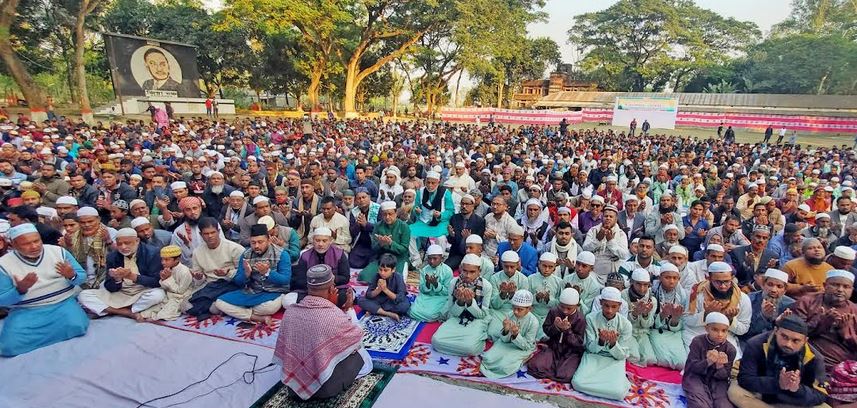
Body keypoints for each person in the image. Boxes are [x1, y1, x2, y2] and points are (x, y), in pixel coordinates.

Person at [274, 264, 367, 401]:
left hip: (293, 388)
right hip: (326, 389)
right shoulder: (333, 315)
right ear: (331, 289)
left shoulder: (290, 312)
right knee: (361, 355)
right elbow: (357, 336)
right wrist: (348, 309)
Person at [0, 223, 89, 356]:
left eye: (37, 241)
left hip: (62, 304)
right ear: (14, 244)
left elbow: (82, 277)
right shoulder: (4, 264)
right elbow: (2, 300)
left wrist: (72, 275)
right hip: (27, 311)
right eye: (26, 244)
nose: (34, 246)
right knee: (9, 346)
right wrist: (20, 290)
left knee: (77, 326)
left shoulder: (58, 252)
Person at [729, 314, 829, 408]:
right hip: (761, 392)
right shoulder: (756, 344)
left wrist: (797, 389)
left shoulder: (815, 358)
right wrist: (778, 384)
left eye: (795, 341)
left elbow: (821, 394)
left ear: (805, 340)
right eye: (784, 337)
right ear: (776, 331)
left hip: (792, 398)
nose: (788, 344)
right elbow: (745, 379)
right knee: (735, 393)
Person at [78, 228, 164, 320]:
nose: (123, 247)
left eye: (127, 243)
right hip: (121, 292)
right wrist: (117, 279)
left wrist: (131, 276)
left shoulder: (153, 253)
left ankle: (110, 310)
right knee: (83, 295)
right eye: (119, 244)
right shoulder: (112, 257)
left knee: (158, 295)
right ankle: (128, 312)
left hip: (142, 291)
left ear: (137, 241)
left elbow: (156, 281)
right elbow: (109, 287)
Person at [213, 224, 291, 324]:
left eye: (260, 242)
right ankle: (256, 317)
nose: (256, 246)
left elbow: (285, 280)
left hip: (273, 293)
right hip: (252, 292)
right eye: (253, 243)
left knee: (270, 308)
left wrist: (268, 273)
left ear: (268, 240)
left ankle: (239, 311)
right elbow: (239, 282)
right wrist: (246, 274)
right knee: (220, 303)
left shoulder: (282, 254)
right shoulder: (246, 255)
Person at [571, 286, 633, 401]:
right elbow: (589, 348)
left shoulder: (626, 324)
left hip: (614, 359)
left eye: (614, 306)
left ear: (620, 306)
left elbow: (622, 355)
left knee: (618, 393)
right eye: (606, 305)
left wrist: (613, 344)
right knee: (577, 383)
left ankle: (622, 380)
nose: (609, 310)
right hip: (594, 356)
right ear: (600, 303)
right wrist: (600, 341)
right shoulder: (590, 318)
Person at [791, 269, 857, 374]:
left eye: (846, 287)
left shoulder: (855, 310)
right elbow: (793, 335)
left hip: (845, 368)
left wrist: (846, 333)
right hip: (808, 361)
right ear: (825, 285)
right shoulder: (806, 302)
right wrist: (822, 323)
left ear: (852, 290)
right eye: (835, 285)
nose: (840, 290)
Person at [683, 261, 752, 359]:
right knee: (696, 363)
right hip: (697, 333)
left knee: (730, 366)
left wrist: (730, 320)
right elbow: (687, 320)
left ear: (732, 278)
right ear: (709, 278)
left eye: (727, 281)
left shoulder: (743, 299)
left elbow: (743, 329)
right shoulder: (696, 293)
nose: (723, 286)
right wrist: (706, 314)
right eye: (718, 282)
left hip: (725, 336)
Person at [431, 253, 495, 357]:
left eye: (472, 272)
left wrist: (470, 302)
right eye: (465, 271)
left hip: (476, 320)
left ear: (479, 271)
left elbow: (482, 314)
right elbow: (453, 312)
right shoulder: (454, 283)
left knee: (470, 348)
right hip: (456, 318)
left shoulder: (486, 286)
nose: (468, 275)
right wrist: (460, 302)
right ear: (461, 269)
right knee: (436, 340)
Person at [185, 217, 244, 319]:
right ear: (201, 235)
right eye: (206, 234)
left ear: (218, 231)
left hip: (230, 284)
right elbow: (199, 280)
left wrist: (227, 273)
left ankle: (213, 306)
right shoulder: (197, 252)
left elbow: (243, 276)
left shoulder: (235, 248)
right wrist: (199, 277)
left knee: (214, 308)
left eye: (213, 232)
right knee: (185, 306)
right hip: (210, 286)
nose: (210, 236)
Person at [527, 288, 586, 383]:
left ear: (577, 305)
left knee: (566, 375)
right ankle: (553, 369)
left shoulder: (580, 319)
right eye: (562, 307)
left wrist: (567, 331)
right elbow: (546, 330)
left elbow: (578, 342)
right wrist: (556, 327)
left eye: (569, 308)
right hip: (553, 347)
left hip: (570, 352)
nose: (565, 311)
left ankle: (557, 371)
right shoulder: (554, 312)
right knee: (535, 366)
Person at [682, 312, 737, 408]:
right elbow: (691, 368)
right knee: (700, 405)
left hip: (717, 381)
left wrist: (720, 367)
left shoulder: (730, 349)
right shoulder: (697, 342)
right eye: (715, 330)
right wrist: (708, 362)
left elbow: (726, 376)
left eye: (724, 331)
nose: (720, 334)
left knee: (723, 405)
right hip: (696, 378)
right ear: (707, 328)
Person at [480, 289, 538, 379]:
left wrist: (515, 335)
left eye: (520, 309)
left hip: (522, 348)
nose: (515, 312)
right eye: (514, 308)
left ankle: (523, 360)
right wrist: (506, 330)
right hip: (506, 344)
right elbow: (503, 340)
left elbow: (527, 345)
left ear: (529, 309)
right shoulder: (510, 314)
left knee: (504, 366)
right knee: (488, 358)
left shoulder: (533, 322)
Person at [292, 227, 350, 301]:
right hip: (311, 291)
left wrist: (327, 281)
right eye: (317, 240)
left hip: (333, 289)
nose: (320, 244)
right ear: (313, 241)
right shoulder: (305, 255)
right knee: (288, 300)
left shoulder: (339, 254)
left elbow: (345, 278)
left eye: (324, 241)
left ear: (330, 241)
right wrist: (316, 285)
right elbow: (300, 280)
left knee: (346, 296)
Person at [138, 245, 194, 321]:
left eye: (167, 260)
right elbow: (164, 286)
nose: (163, 262)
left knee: (164, 313)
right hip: (168, 294)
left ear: (177, 259)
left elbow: (181, 291)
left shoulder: (184, 271)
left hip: (180, 297)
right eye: (162, 260)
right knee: (148, 310)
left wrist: (168, 279)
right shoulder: (167, 268)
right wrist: (163, 279)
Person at [648, 262, 688, 369]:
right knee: (663, 360)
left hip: (674, 332)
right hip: (655, 330)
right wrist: (662, 315)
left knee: (681, 363)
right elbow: (648, 320)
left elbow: (683, 320)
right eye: (668, 277)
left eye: (675, 278)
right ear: (660, 277)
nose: (671, 281)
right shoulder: (652, 291)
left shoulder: (682, 295)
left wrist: (675, 319)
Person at [359, 201, 410, 282]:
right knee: (364, 276)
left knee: (396, 280)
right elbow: (373, 248)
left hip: (398, 259)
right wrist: (381, 244)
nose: (387, 217)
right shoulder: (378, 226)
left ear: (396, 213)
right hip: (382, 258)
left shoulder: (404, 227)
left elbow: (404, 249)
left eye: (390, 214)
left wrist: (391, 243)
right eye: (384, 214)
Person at [582, 204, 629, 284]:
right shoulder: (593, 231)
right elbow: (585, 249)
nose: (608, 218)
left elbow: (624, 255)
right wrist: (597, 240)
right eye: (606, 216)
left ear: (616, 219)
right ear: (602, 217)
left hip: (613, 274)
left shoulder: (621, 234)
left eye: (611, 217)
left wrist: (610, 241)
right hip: (594, 273)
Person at [356, 254, 410, 321]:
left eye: (386, 270)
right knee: (361, 301)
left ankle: (376, 310)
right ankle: (388, 314)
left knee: (404, 306)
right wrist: (378, 290)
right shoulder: (376, 276)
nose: (382, 273)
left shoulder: (398, 277)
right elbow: (369, 294)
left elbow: (400, 298)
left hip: (391, 302)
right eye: (380, 269)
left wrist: (385, 290)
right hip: (379, 300)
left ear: (393, 270)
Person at [409, 244, 453, 322]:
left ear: (441, 258)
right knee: (413, 311)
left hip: (440, 297)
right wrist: (428, 283)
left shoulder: (447, 271)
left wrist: (436, 284)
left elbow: (448, 292)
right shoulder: (425, 270)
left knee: (431, 315)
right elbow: (422, 290)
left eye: (435, 258)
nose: (431, 261)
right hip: (425, 296)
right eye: (429, 258)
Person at [488, 250, 530, 331]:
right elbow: (494, 305)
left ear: (517, 264)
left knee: (515, 331)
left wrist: (513, 295)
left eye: (512, 267)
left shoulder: (523, 279)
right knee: (494, 332)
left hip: (516, 312)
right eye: (506, 266)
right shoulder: (494, 278)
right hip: (498, 311)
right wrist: (502, 295)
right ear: (501, 264)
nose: (509, 270)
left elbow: (523, 305)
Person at [623, 268, 657, 366]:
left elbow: (648, 325)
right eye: (639, 284)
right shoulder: (624, 295)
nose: (642, 288)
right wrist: (635, 313)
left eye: (645, 285)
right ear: (632, 282)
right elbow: (622, 322)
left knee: (650, 360)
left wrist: (645, 314)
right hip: (628, 332)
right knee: (634, 357)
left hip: (643, 333)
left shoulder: (652, 300)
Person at [528, 252, 564, 338]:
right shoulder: (530, 278)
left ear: (555, 267)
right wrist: (535, 297)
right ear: (539, 264)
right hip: (534, 313)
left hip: (550, 314)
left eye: (550, 267)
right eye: (544, 266)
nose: (547, 269)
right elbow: (526, 299)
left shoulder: (559, 282)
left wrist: (549, 300)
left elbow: (560, 303)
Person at [446, 194, 486, 269]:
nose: (464, 206)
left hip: (472, 254)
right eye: (462, 204)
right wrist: (451, 235)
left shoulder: (480, 221)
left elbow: (479, 243)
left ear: (473, 206)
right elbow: (451, 241)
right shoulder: (454, 218)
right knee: (446, 268)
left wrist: (469, 239)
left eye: (467, 204)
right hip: (456, 254)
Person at [563, 251, 603, 316]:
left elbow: (587, 311)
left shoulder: (594, 286)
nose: (579, 268)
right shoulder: (567, 279)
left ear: (591, 269)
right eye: (578, 264)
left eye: (584, 266)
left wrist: (577, 297)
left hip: (580, 319)